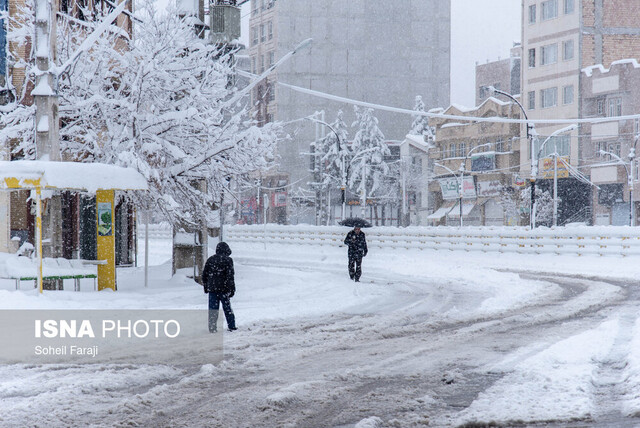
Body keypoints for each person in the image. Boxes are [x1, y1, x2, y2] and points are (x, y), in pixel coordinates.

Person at [202, 242, 237, 333]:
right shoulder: (228, 260)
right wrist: (232, 289)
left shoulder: (210, 260)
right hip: (224, 289)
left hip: (212, 289)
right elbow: (230, 276)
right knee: (227, 308)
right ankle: (231, 326)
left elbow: (204, 275)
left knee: (213, 309)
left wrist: (206, 287)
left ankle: (212, 327)